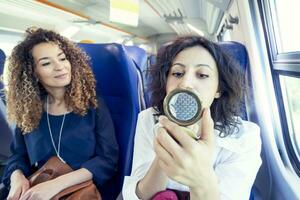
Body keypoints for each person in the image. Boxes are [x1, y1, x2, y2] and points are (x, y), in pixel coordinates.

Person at [122, 36, 262, 200]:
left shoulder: (245, 137)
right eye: (177, 73)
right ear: (166, 83)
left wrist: (200, 179)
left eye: (202, 75)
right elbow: (138, 196)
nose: (185, 83)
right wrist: (166, 150)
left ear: (218, 89)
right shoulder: (148, 119)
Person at [1, 28, 119, 200]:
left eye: (62, 58)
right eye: (46, 63)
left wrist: (56, 185)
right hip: (38, 188)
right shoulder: (28, 110)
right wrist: (16, 176)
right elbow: (18, 156)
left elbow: (108, 160)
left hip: (81, 190)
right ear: (32, 73)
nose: (60, 67)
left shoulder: (94, 105)